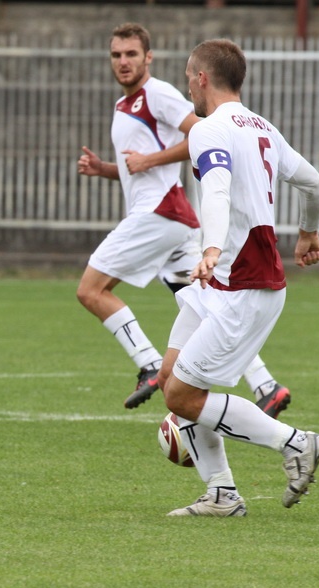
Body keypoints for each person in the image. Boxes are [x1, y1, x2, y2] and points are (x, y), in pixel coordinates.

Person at [76, 22, 291, 418]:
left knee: (91, 290)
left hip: (160, 213)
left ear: (148, 57)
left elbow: (200, 134)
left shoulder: (156, 93)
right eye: (116, 55)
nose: (123, 62)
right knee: (206, 309)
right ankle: (266, 385)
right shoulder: (124, 106)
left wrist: (148, 160)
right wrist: (106, 169)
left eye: (131, 54)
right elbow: (138, 168)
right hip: (170, 219)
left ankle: (148, 362)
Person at [160, 38, 319, 517]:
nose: (188, 84)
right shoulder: (264, 128)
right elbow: (313, 183)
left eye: (188, 76)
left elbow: (214, 188)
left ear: (200, 79)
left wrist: (211, 246)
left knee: (181, 395)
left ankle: (295, 442)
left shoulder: (209, 129)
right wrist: (308, 233)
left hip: (242, 285)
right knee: (173, 379)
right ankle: (222, 494)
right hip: (220, 285)